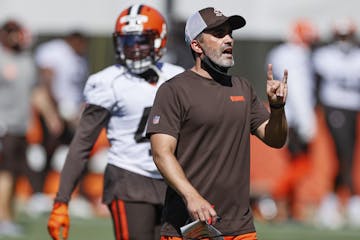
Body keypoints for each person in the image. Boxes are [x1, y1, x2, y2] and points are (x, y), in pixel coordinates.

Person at [146, 7, 288, 239]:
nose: (229, 39)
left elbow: (276, 139)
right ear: (196, 45)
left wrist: (277, 108)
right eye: (219, 34)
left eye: (230, 33)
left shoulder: (243, 87)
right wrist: (191, 196)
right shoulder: (173, 90)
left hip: (240, 227)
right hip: (188, 227)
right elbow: (162, 154)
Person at [47, 4, 184, 240]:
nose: (135, 48)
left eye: (142, 40)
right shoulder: (107, 82)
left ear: (160, 40)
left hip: (171, 181)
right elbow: (82, 142)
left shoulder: (178, 76)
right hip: (128, 178)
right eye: (128, 41)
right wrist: (62, 199)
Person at [0, 19, 61, 237]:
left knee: (15, 173)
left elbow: (37, 93)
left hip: (20, 126)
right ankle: (3, 218)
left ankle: (8, 216)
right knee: (5, 173)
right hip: (3, 125)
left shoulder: (26, 61)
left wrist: (51, 116)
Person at [264, 19, 318, 221]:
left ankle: (290, 208)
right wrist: (306, 119)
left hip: (284, 114)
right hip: (294, 117)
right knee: (302, 165)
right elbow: (297, 90)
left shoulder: (280, 53)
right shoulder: (294, 55)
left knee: (295, 163)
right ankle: (273, 198)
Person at [313, 18, 360, 229]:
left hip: (353, 108)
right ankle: (348, 201)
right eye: (341, 36)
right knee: (344, 153)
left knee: (347, 155)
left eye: (347, 36)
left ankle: (333, 202)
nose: (344, 41)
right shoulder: (324, 56)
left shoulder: (357, 57)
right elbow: (315, 84)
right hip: (334, 107)